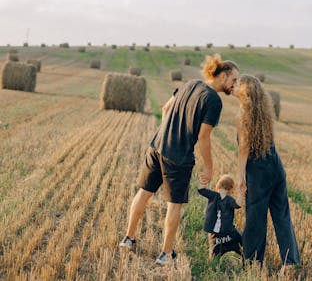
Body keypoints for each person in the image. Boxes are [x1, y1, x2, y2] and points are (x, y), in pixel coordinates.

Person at [119, 54, 239, 265]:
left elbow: (165, 109)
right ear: (223, 76)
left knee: (143, 193)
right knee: (174, 205)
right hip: (178, 157)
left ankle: (128, 239)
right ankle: (165, 254)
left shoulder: (190, 83)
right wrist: (209, 168)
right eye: (234, 80)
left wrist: (168, 133)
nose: (235, 85)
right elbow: (203, 136)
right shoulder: (213, 101)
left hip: (156, 146)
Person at [233, 74, 300, 266]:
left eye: (237, 84)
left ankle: (253, 262)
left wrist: (241, 179)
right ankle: (291, 262)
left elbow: (243, 149)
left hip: (258, 173)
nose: (233, 85)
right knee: (282, 218)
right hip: (276, 168)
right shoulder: (265, 112)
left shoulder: (242, 116)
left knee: (255, 220)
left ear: (245, 92)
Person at [198, 174, 242, 260]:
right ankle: (248, 258)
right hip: (229, 233)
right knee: (241, 244)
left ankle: (212, 263)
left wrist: (203, 181)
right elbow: (238, 205)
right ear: (230, 189)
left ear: (218, 186)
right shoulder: (229, 199)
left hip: (215, 236)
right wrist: (241, 194)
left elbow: (201, 190)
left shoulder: (213, 195)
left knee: (214, 253)